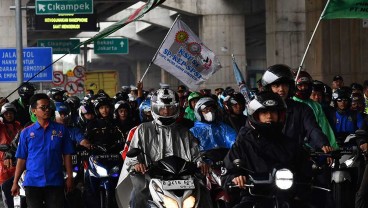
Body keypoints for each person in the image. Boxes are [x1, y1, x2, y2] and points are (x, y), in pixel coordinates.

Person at [122, 88, 211, 208]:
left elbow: (196, 153)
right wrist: (137, 163)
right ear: (155, 108)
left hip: (182, 178)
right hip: (150, 176)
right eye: (162, 108)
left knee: (204, 193)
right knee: (138, 194)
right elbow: (133, 155)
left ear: (176, 108)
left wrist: (201, 162)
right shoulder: (143, 129)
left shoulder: (184, 132)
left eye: (170, 107)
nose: (166, 111)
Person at [222, 91, 312, 207]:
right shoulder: (243, 144)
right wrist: (235, 178)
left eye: (273, 112)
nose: (269, 116)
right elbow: (227, 173)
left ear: (280, 115)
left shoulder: (290, 144)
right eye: (264, 112)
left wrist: (310, 171)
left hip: (287, 199)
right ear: (255, 115)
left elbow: (305, 170)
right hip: (253, 197)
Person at [11, 93, 74, 208]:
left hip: (55, 182)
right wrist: (15, 183)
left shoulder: (61, 130)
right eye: (43, 107)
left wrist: (70, 177)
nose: (47, 110)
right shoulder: (26, 133)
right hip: (32, 183)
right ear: (34, 111)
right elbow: (21, 158)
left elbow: (67, 155)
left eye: (48, 107)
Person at [261, 64, 334, 151]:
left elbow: (312, 129)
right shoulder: (260, 109)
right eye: (276, 86)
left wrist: (323, 143)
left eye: (285, 85)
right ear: (269, 88)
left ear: (290, 86)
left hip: (293, 158)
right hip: (267, 159)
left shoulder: (302, 109)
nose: (281, 89)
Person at [293, 71, 338, 149]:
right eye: (300, 85)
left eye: (306, 85)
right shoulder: (290, 103)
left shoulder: (316, 105)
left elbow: (324, 127)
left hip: (314, 147)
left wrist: (330, 146)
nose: (303, 88)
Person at [0, 103, 23, 207]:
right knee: (6, 192)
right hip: (4, 165)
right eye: (6, 114)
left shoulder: (19, 126)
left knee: (21, 192)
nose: (9, 115)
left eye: (11, 113)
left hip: (19, 163)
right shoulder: (1, 126)